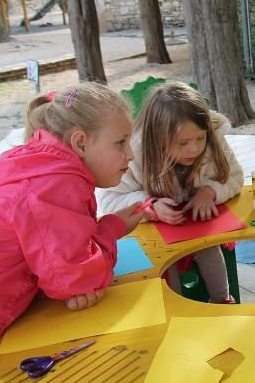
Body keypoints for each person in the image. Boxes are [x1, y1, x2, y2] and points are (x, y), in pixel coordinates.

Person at [0, 83, 144, 344]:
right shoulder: (56, 185)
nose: (131, 155)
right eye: (120, 143)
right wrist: (113, 228)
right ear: (80, 143)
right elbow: (78, 279)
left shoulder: (38, 165)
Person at [98, 82, 244, 303]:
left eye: (200, 138)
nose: (194, 148)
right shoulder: (134, 153)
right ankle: (174, 310)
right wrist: (150, 205)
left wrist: (209, 191)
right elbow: (109, 201)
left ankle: (222, 300)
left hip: (197, 230)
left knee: (208, 249)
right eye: (182, 143)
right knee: (165, 267)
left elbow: (235, 176)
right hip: (153, 239)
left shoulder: (213, 136)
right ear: (158, 138)